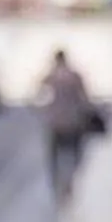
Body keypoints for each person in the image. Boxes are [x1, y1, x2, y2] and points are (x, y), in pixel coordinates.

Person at [40, 50, 95, 199]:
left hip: (55, 122)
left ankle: (57, 184)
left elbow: (39, 96)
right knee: (75, 154)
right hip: (73, 121)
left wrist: (45, 110)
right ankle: (70, 182)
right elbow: (85, 99)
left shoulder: (50, 77)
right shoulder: (74, 76)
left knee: (54, 157)